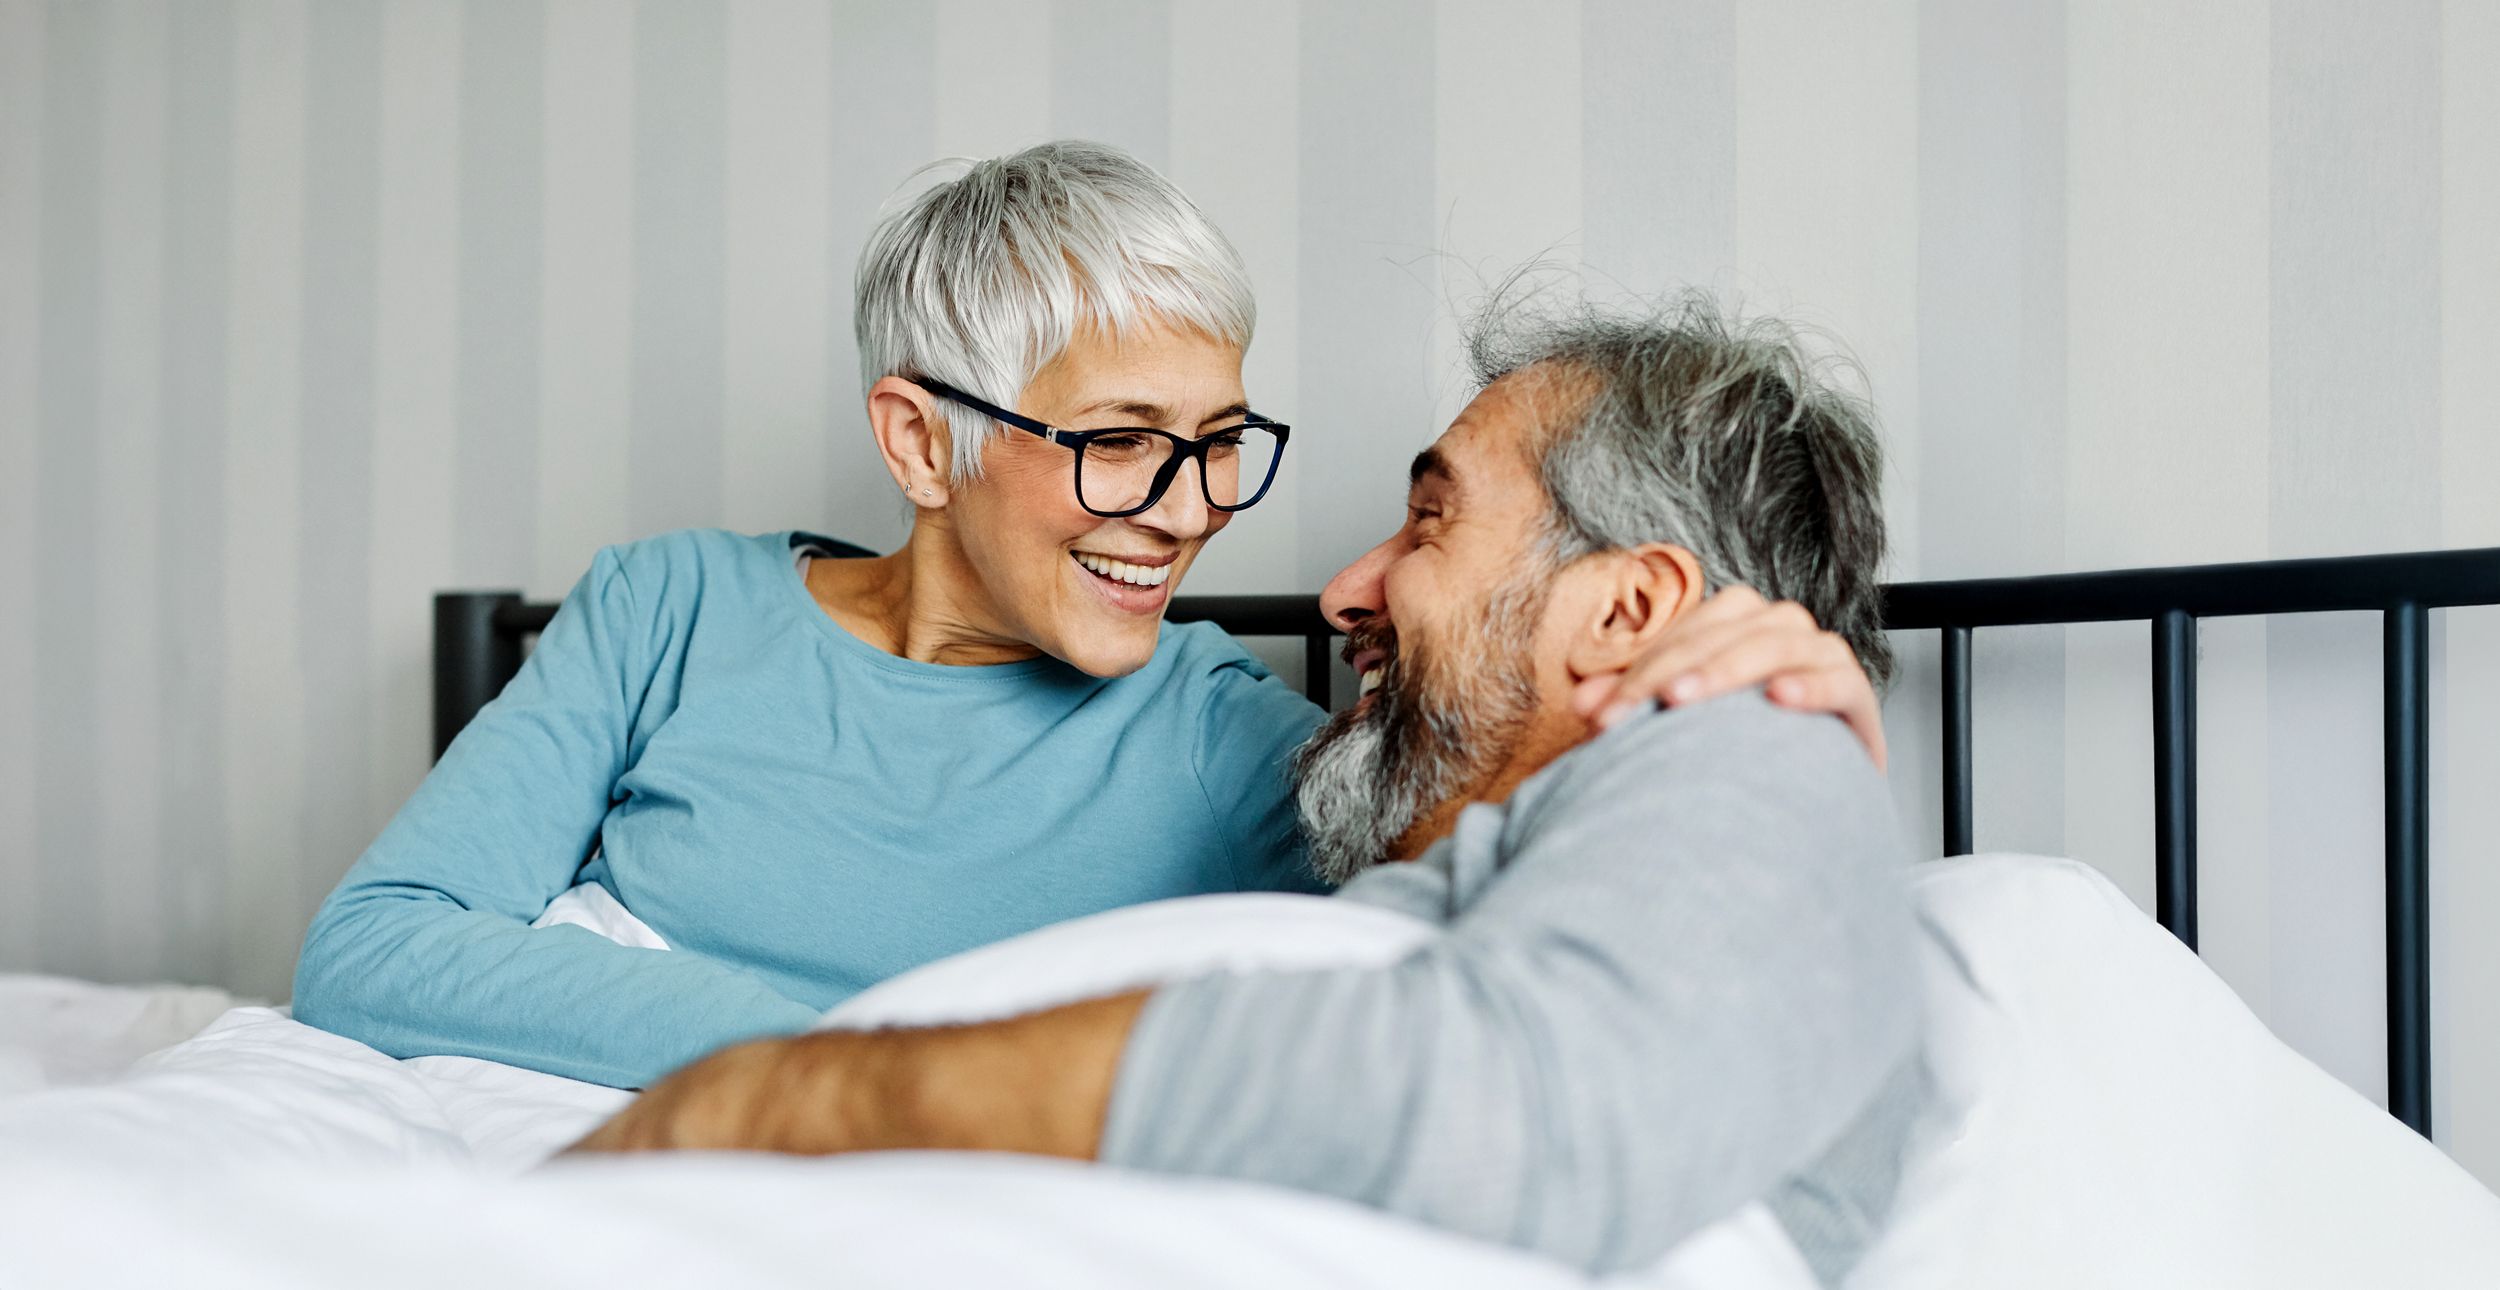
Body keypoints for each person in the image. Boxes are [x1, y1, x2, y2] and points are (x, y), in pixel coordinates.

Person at [294, 141, 1884, 1093]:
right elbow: (372, 944)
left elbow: (1508, 962)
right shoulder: (668, 611)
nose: (1188, 510)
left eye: (1220, 444)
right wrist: (842, 1056)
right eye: (1122, 443)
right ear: (922, 442)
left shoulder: (1233, 746)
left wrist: (1767, 742)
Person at [566, 295, 1926, 1286]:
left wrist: (771, 1099)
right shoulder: (1530, 858)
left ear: (1627, 609)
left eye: (1430, 520)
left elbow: (1527, 1110)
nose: (1345, 590)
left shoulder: (1755, 746)